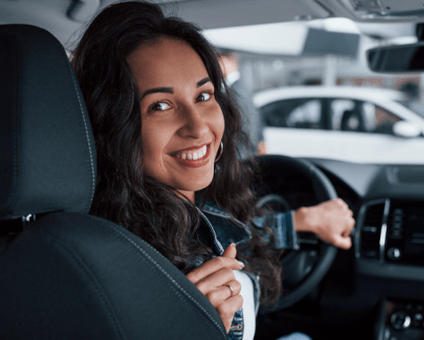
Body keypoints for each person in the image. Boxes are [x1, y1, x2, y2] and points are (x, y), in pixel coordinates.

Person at [71, 2, 355, 339]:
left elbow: (235, 238)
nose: (198, 127)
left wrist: (302, 222)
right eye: (160, 106)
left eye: (204, 95)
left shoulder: (192, 208)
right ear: (111, 125)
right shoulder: (114, 262)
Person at [218, 50, 268, 157]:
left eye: (219, 61)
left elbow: (249, 124)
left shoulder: (237, 89)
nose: (216, 66)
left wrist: (242, 155)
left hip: (240, 154)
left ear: (230, 61)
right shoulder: (237, 86)